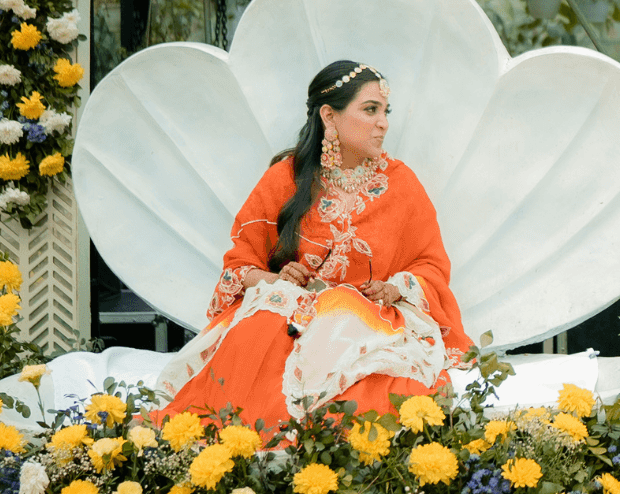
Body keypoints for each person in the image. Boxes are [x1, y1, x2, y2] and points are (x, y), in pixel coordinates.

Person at [157, 60, 473, 429]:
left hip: (365, 321)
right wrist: (276, 279)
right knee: (261, 331)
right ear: (329, 116)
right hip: (291, 318)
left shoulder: (402, 185)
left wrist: (393, 288)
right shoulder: (284, 178)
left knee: (378, 393)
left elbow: (431, 266)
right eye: (370, 110)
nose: (383, 123)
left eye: (385, 112)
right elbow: (239, 267)